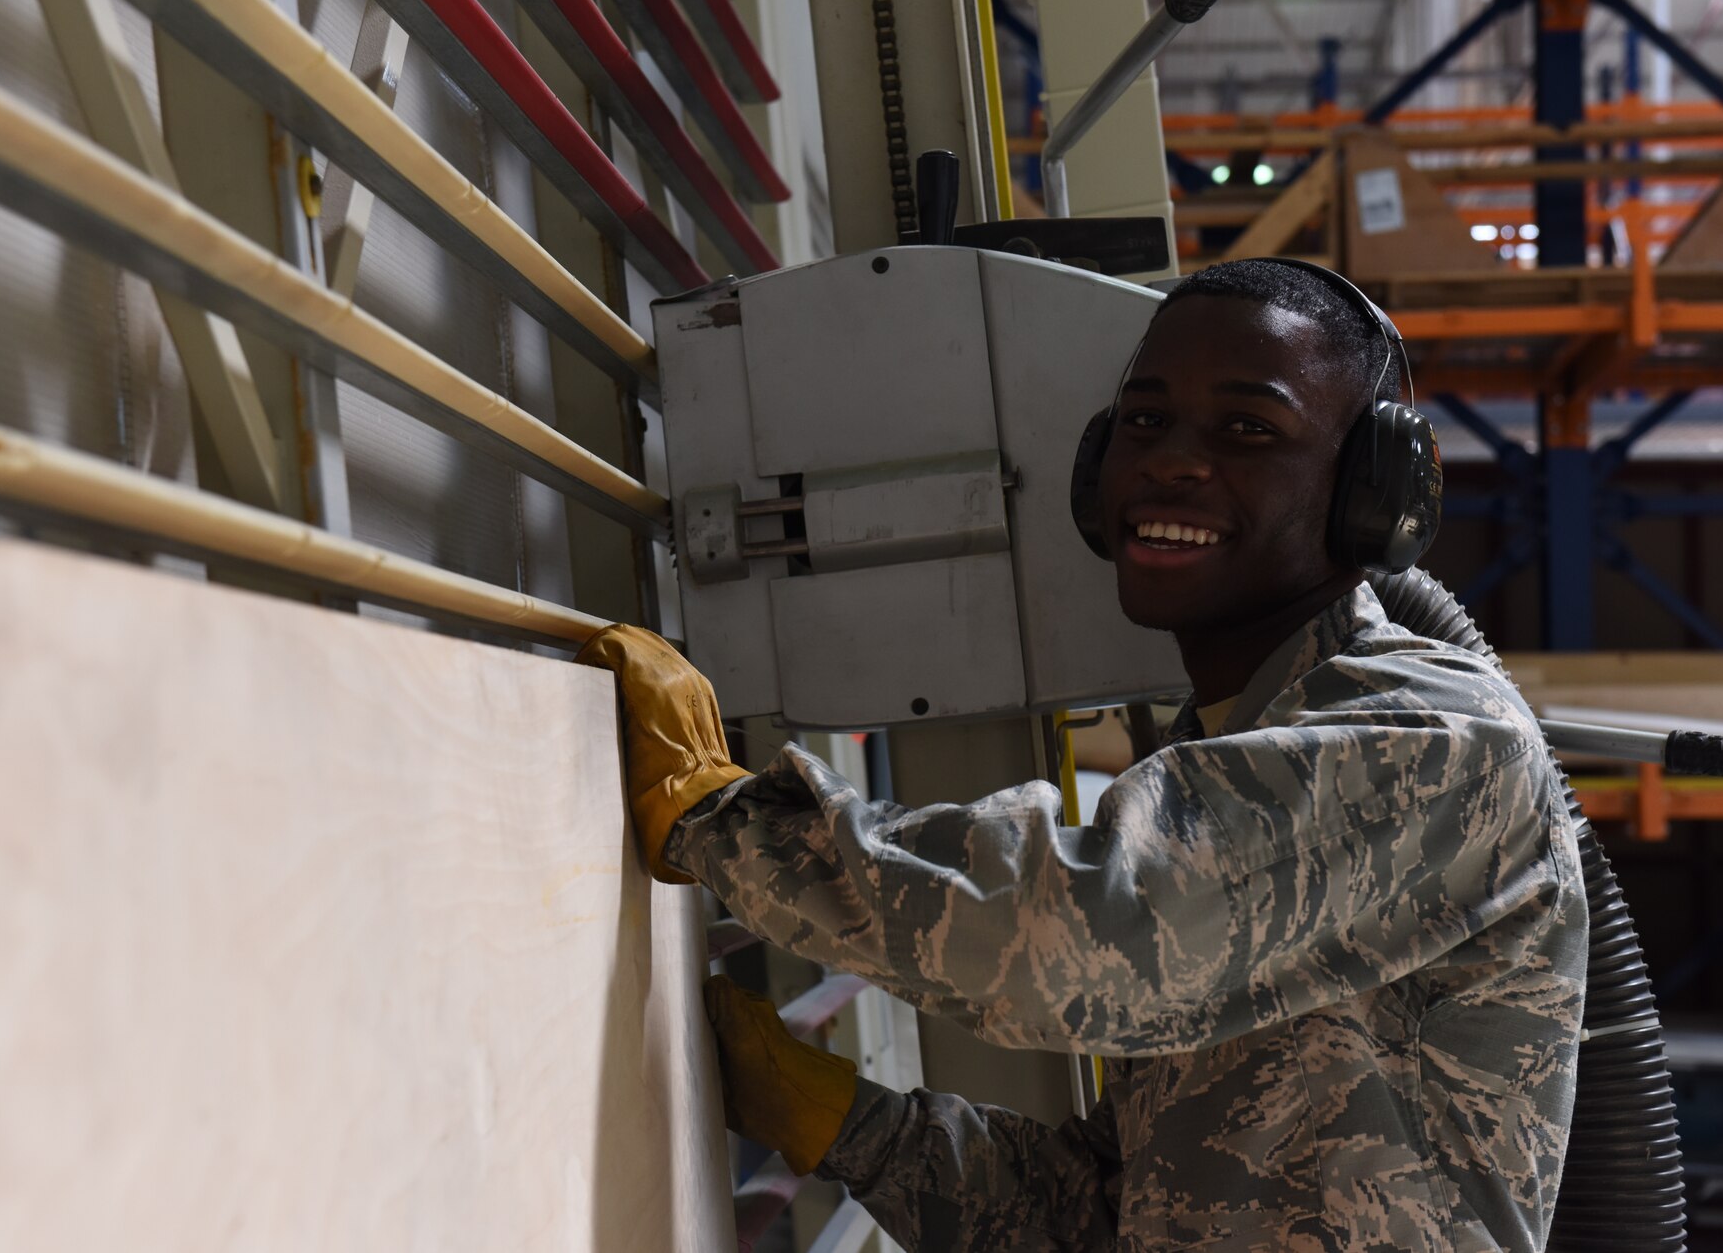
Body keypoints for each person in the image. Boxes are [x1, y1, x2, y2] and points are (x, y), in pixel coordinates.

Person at [578, 258, 1588, 1253]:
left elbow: (1079, 932)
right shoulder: (1233, 755)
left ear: (1367, 493)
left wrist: (728, 826)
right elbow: (1107, 1221)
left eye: (1248, 428)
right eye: (1143, 421)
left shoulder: (1434, 743)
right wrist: (847, 1126)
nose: (1171, 461)